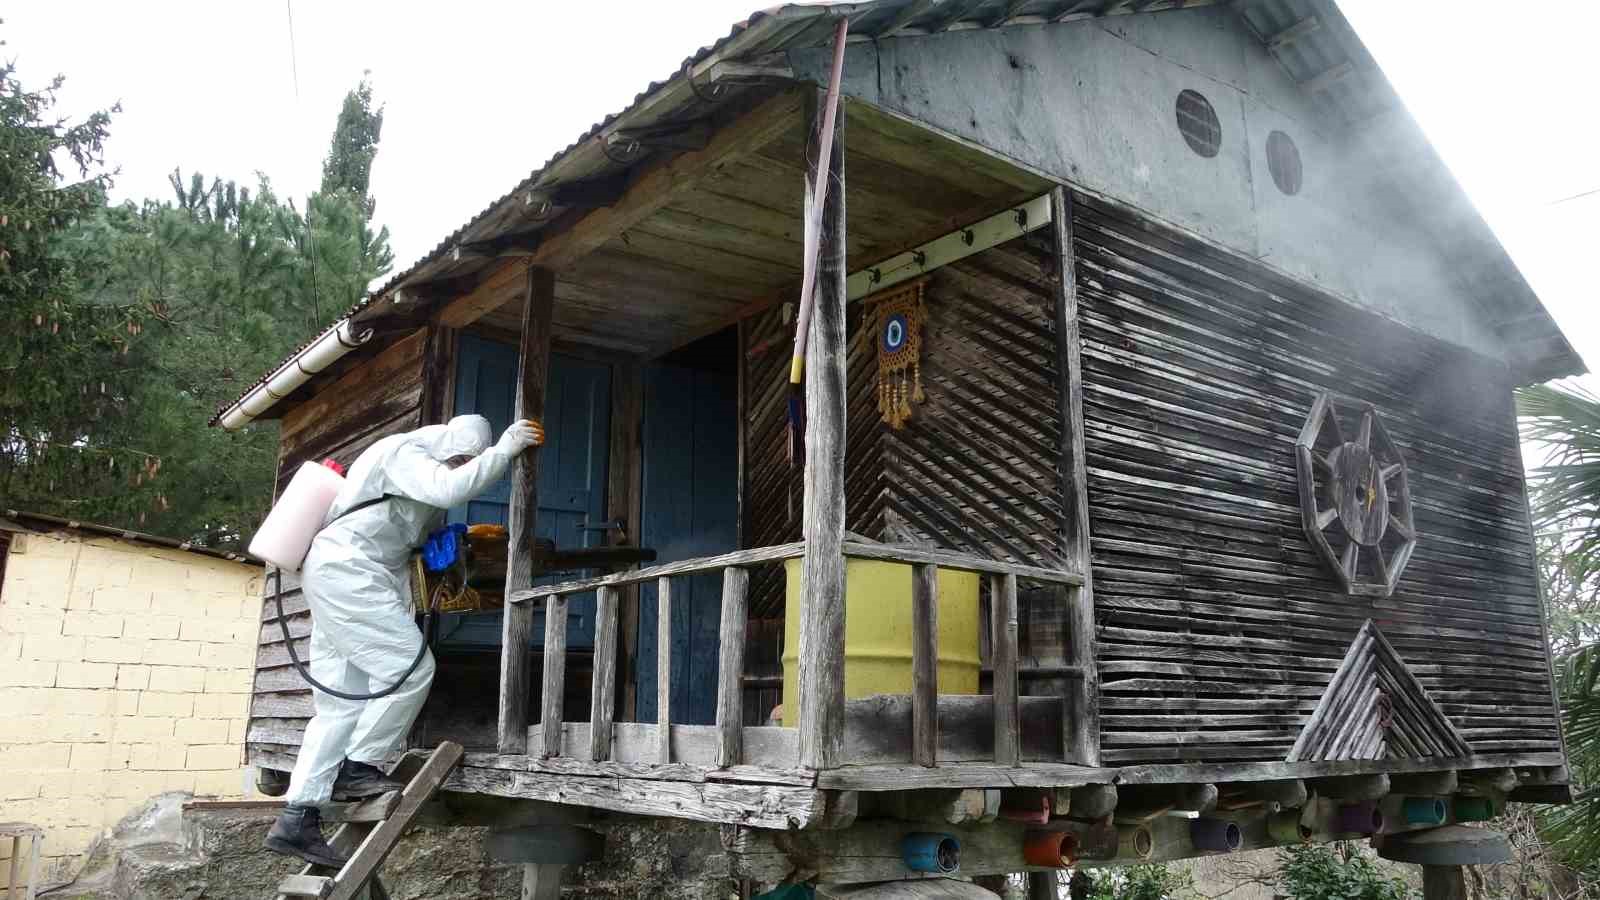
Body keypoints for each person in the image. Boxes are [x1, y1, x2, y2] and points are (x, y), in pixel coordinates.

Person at [265, 414, 543, 867]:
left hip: (341, 574)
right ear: (448, 445)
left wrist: (440, 542)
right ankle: (359, 767)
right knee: (411, 669)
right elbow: (448, 490)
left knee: (340, 705)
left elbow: (402, 530)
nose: (460, 467)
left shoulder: (416, 468)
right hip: (347, 571)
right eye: (459, 459)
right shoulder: (403, 451)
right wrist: (503, 451)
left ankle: (297, 818)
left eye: (466, 462)